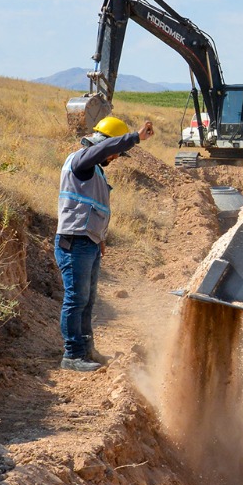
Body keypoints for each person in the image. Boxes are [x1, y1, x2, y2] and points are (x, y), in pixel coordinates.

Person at [55, 115, 154, 371]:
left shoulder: (94, 169)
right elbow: (103, 150)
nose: (115, 158)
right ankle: (72, 356)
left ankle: (87, 350)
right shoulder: (82, 160)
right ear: (103, 144)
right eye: (115, 152)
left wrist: (100, 239)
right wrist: (134, 138)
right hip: (74, 241)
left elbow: (92, 207)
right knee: (76, 299)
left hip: (88, 242)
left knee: (87, 300)